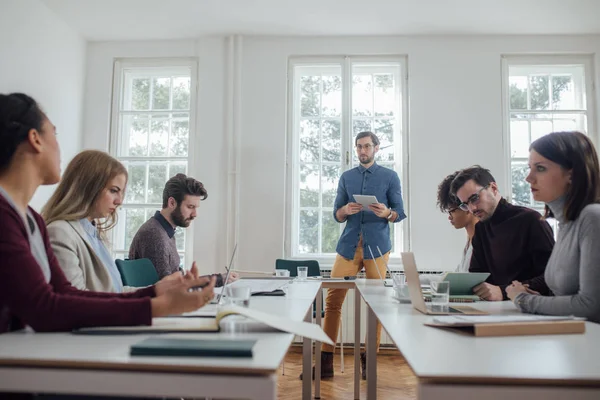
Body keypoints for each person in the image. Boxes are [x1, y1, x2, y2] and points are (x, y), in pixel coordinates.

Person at [0, 92, 216, 336]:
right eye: (55, 134)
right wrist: (156, 306)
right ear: (35, 139)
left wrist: (155, 293)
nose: (59, 146)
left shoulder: (32, 219)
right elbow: (45, 308)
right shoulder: (7, 217)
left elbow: (66, 293)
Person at [306, 131, 406, 380]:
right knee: (333, 301)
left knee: (376, 305)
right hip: (349, 245)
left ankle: (368, 361)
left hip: (377, 247)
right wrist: (344, 210)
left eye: (367, 146)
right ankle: (325, 361)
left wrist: (386, 213)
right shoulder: (347, 177)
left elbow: (400, 213)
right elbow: (336, 215)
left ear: (376, 148)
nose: (362, 151)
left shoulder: (390, 177)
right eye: (359, 147)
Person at [41, 150, 198, 293]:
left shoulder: (94, 234)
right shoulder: (61, 233)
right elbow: (76, 303)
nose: (119, 201)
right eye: (114, 191)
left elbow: (116, 291)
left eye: (121, 193)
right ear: (88, 187)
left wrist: (160, 290)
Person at [506, 131, 600, 322]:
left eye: (540, 168)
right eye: (529, 168)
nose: (528, 178)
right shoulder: (566, 224)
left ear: (571, 174)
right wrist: (539, 299)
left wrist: (524, 300)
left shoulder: (592, 217)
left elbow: (589, 306)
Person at [450, 165, 554, 300]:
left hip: (531, 309)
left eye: (474, 198)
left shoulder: (531, 220)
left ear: (493, 188)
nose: (472, 208)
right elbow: (476, 278)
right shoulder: (481, 229)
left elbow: (552, 277)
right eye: (465, 204)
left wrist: (503, 292)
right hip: (496, 309)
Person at [129, 173, 238, 285]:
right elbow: (168, 287)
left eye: (196, 208)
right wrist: (217, 280)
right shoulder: (154, 235)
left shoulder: (165, 231)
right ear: (172, 203)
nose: (195, 214)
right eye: (190, 207)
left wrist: (219, 279)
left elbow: (179, 282)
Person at [436, 171, 479, 272]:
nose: (449, 217)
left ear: (466, 207)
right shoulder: (469, 242)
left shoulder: (480, 243)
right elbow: (456, 276)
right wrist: (419, 278)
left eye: (452, 211)